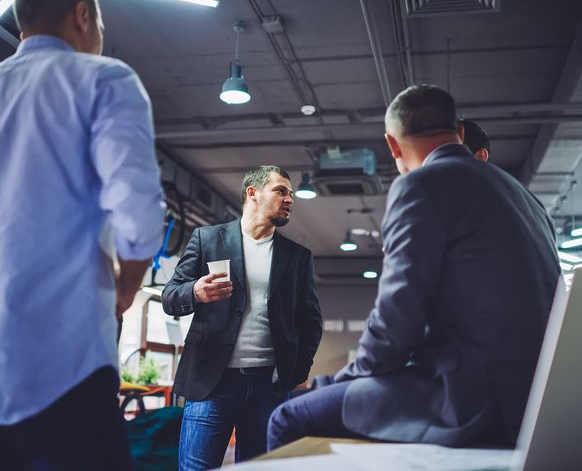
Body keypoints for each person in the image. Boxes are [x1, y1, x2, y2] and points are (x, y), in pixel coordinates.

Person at [267, 84, 560, 450]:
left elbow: (397, 322)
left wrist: (347, 378)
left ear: (392, 145)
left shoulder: (420, 185)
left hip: (467, 397)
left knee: (288, 416)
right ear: (461, 132)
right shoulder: (524, 196)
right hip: (535, 399)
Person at [0, 0, 165, 469]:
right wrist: (128, 282)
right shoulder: (105, 79)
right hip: (62, 366)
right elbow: (138, 210)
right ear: (82, 14)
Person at [162, 165, 323, 470]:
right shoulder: (207, 239)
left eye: (291, 194)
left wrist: (294, 373)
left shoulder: (298, 257)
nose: (289, 199)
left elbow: (311, 321)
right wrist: (195, 292)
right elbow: (170, 296)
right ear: (253, 193)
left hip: (269, 387)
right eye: (280, 191)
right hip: (211, 382)